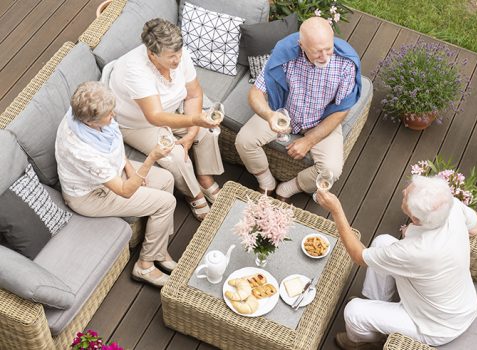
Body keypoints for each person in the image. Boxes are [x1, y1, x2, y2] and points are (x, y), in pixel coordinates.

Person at [315, 175, 477, 349]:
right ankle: (376, 304)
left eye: (406, 196)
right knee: (382, 242)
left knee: (353, 312)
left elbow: (358, 256)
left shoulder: (416, 251)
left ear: (415, 219)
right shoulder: (450, 206)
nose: (404, 191)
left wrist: (336, 210)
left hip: (434, 326)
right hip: (455, 303)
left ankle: (363, 341)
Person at [55, 81, 178, 288]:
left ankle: (159, 248)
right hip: (91, 194)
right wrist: (151, 159)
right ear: (91, 122)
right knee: (166, 203)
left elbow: (113, 140)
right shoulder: (82, 151)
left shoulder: (83, 115)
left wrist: (130, 168)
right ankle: (145, 265)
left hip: (112, 172)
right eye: (109, 115)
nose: (114, 116)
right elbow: (124, 191)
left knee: (166, 180)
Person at [108, 18, 224, 221]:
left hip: (172, 110)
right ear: (152, 54)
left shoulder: (179, 54)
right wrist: (195, 120)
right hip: (138, 124)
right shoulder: (134, 70)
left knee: (209, 131)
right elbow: (155, 117)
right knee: (176, 156)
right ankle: (193, 194)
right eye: (172, 56)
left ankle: (205, 178)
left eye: (179, 52)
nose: (178, 59)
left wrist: (193, 131)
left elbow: (194, 94)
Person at [235, 17, 361, 201]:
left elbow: (343, 109)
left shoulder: (346, 63)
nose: (325, 57)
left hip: (322, 120)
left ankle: (288, 189)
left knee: (331, 171)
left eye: (328, 49)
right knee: (244, 141)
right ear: (301, 45)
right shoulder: (284, 53)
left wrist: (310, 140)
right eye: (317, 52)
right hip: (284, 112)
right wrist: (269, 115)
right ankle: (267, 182)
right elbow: (255, 93)